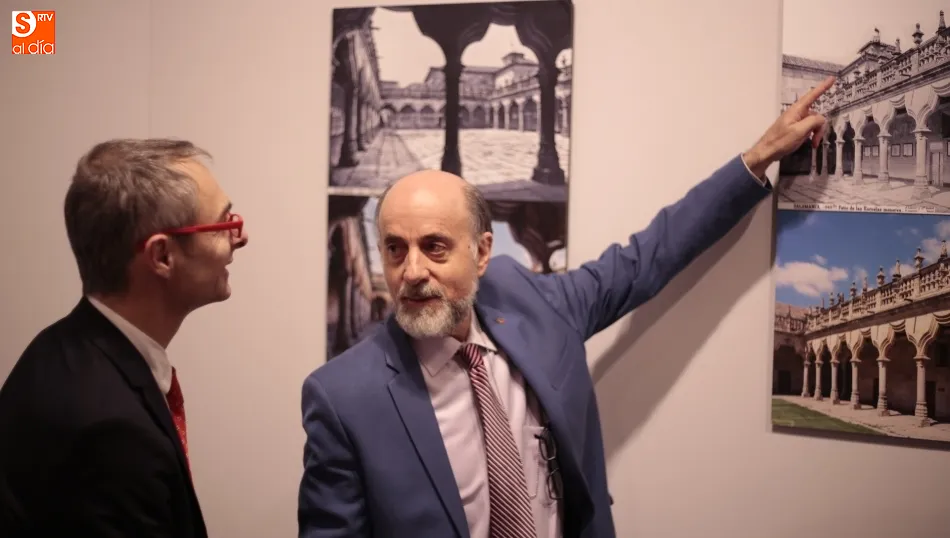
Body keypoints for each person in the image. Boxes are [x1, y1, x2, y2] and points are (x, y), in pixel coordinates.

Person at [297, 78, 833, 537]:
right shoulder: (344, 397)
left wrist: (756, 159)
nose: (411, 271)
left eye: (434, 246)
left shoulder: (534, 303)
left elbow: (647, 258)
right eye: (395, 248)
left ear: (482, 252)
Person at [0, 138, 249, 537]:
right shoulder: (113, 432)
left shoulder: (55, 349)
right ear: (162, 256)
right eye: (224, 224)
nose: (241, 238)